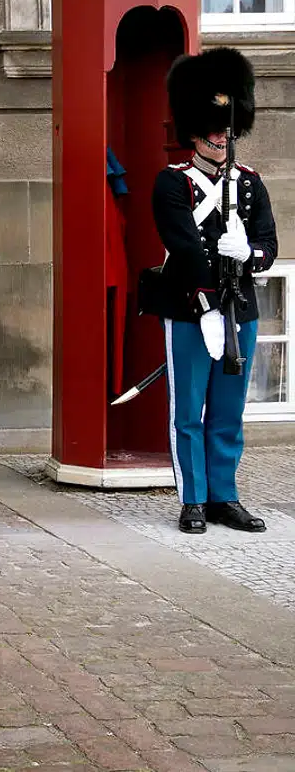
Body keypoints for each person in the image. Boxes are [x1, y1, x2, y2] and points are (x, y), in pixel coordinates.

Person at [152, 48, 277, 535]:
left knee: (228, 411)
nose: (222, 137)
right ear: (195, 133)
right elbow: (185, 247)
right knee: (188, 412)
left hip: (239, 310)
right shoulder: (173, 184)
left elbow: (268, 245)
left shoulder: (249, 184)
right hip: (192, 310)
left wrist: (248, 253)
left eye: (227, 130)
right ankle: (194, 499)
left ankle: (224, 496)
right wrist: (207, 303)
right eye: (213, 130)